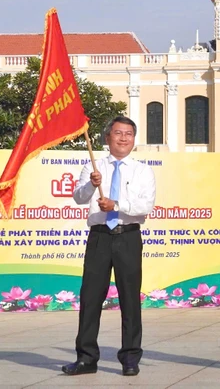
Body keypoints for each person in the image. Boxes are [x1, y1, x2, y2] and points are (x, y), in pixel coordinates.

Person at [62, 116, 156, 377]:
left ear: (134, 139)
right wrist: (92, 185)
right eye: (118, 133)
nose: (123, 138)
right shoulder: (94, 167)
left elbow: (145, 206)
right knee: (90, 298)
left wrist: (117, 205)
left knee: (129, 298)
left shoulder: (142, 170)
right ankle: (86, 358)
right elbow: (79, 198)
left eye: (128, 134)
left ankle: (130, 357)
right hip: (99, 237)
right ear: (107, 138)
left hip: (128, 236)